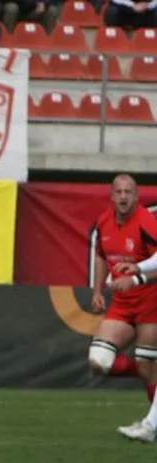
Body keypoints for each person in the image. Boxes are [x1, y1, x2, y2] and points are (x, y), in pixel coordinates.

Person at [85, 174, 157, 437]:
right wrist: (97, 290)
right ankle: (146, 370)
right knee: (98, 361)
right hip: (123, 304)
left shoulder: (146, 222)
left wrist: (136, 278)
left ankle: (151, 426)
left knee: (148, 366)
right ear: (112, 196)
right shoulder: (104, 222)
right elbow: (101, 256)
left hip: (150, 302)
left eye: (129, 192)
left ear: (137, 197)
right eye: (119, 192)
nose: (124, 197)